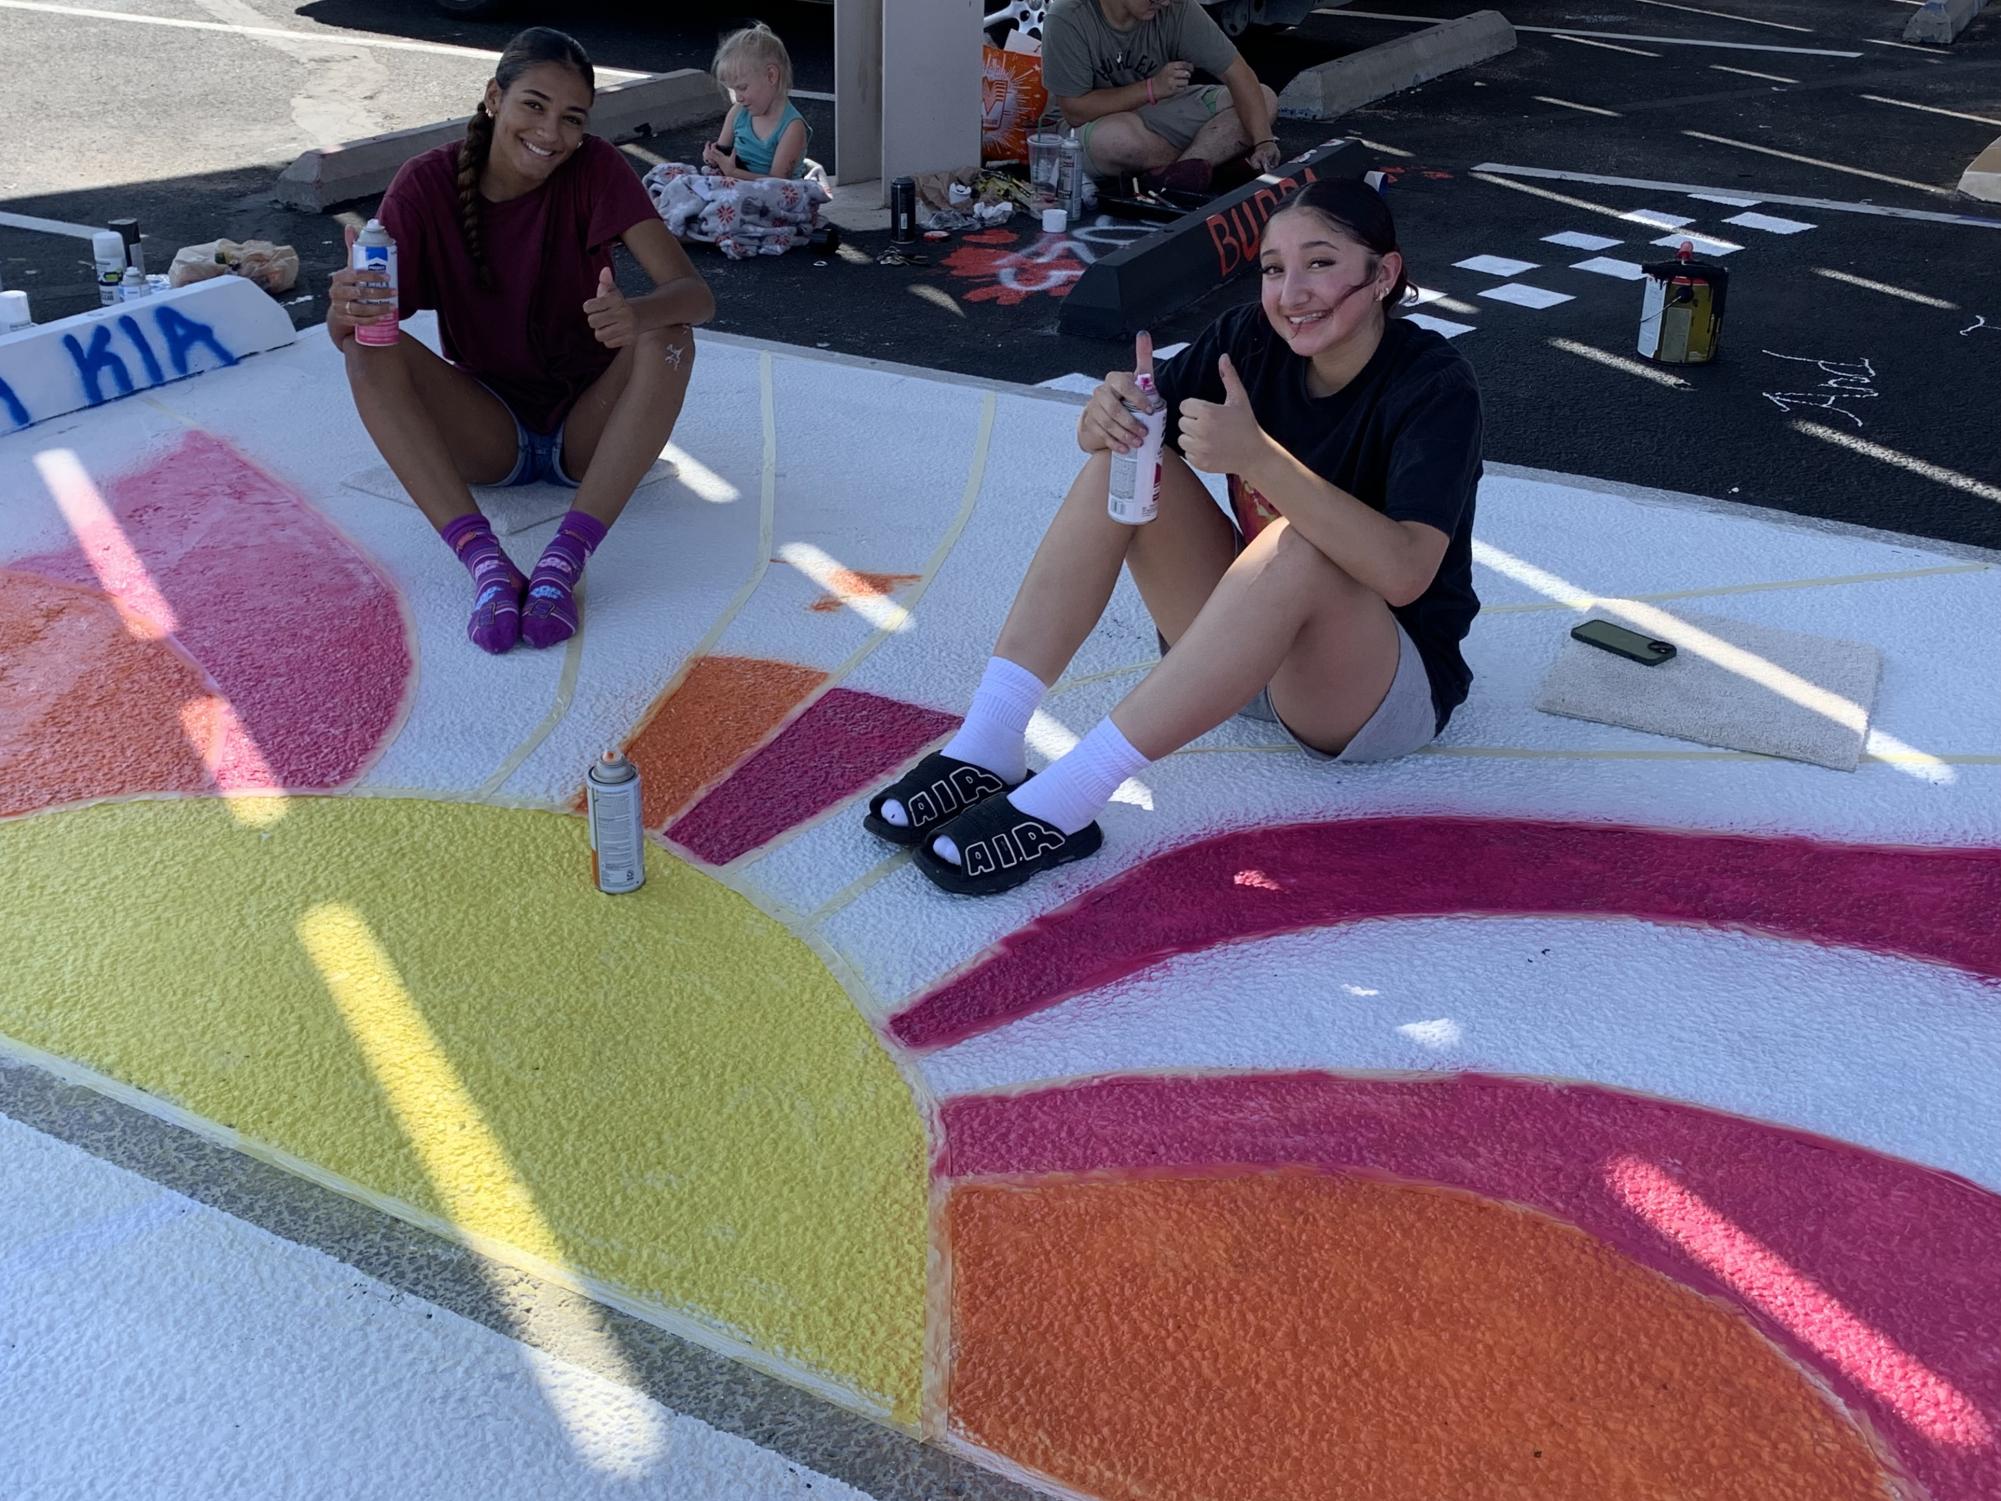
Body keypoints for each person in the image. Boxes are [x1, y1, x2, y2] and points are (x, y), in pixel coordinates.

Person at [864, 177, 1482, 896]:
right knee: (1134, 458)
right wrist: (1105, 416)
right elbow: (1133, 420)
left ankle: (1070, 796)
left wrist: (1257, 457)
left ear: (1382, 275)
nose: (1290, 292)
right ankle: (989, 740)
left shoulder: (1434, 385)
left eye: (1319, 262)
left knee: (1294, 544)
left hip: (1373, 688)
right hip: (1238, 657)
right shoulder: (1248, 339)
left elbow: (1406, 572)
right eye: (1274, 268)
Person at [328, 26, 714, 655]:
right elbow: (355, 329)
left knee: (670, 336)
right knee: (368, 345)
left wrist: (636, 314)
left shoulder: (595, 168)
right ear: (493, 98)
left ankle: (566, 559)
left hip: (589, 433)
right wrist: (344, 307)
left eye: (572, 118)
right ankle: (486, 563)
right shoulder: (427, 183)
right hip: (488, 435)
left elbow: (695, 297)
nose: (550, 133)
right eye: (533, 105)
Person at [1039, 0, 1281, 192]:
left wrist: (1263, 141)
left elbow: (1237, 73)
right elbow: (1074, 110)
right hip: (1094, 124)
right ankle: (1215, 159)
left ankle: (1183, 171)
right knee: (1117, 141)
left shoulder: (1176, 7)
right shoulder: (1068, 15)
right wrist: (1150, 88)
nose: (1164, 3)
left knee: (1264, 97)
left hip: (1160, 110)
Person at [703, 23, 812, 182]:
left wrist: (733, 172)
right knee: (669, 174)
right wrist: (713, 158)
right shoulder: (738, 112)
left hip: (774, 197)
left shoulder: (791, 127)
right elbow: (722, 151)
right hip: (736, 184)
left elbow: (778, 184)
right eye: (734, 90)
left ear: (771, 76)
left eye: (742, 88)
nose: (738, 97)